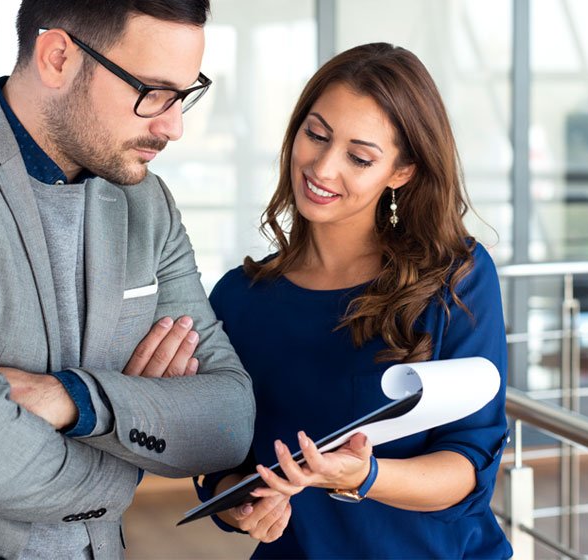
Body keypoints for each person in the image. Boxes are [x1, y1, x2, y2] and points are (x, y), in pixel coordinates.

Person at [0, 0, 255, 559]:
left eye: (184, 95)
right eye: (152, 92)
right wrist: (127, 462)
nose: (172, 126)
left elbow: (226, 420)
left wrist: (78, 400)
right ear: (59, 56)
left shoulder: (146, 203)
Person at [194, 42, 513, 559]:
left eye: (359, 157)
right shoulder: (239, 298)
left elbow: (467, 465)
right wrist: (238, 506)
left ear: (401, 172)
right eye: (315, 134)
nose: (322, 167)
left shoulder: (454, 280)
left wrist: (362, 475)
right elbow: (221, 457)